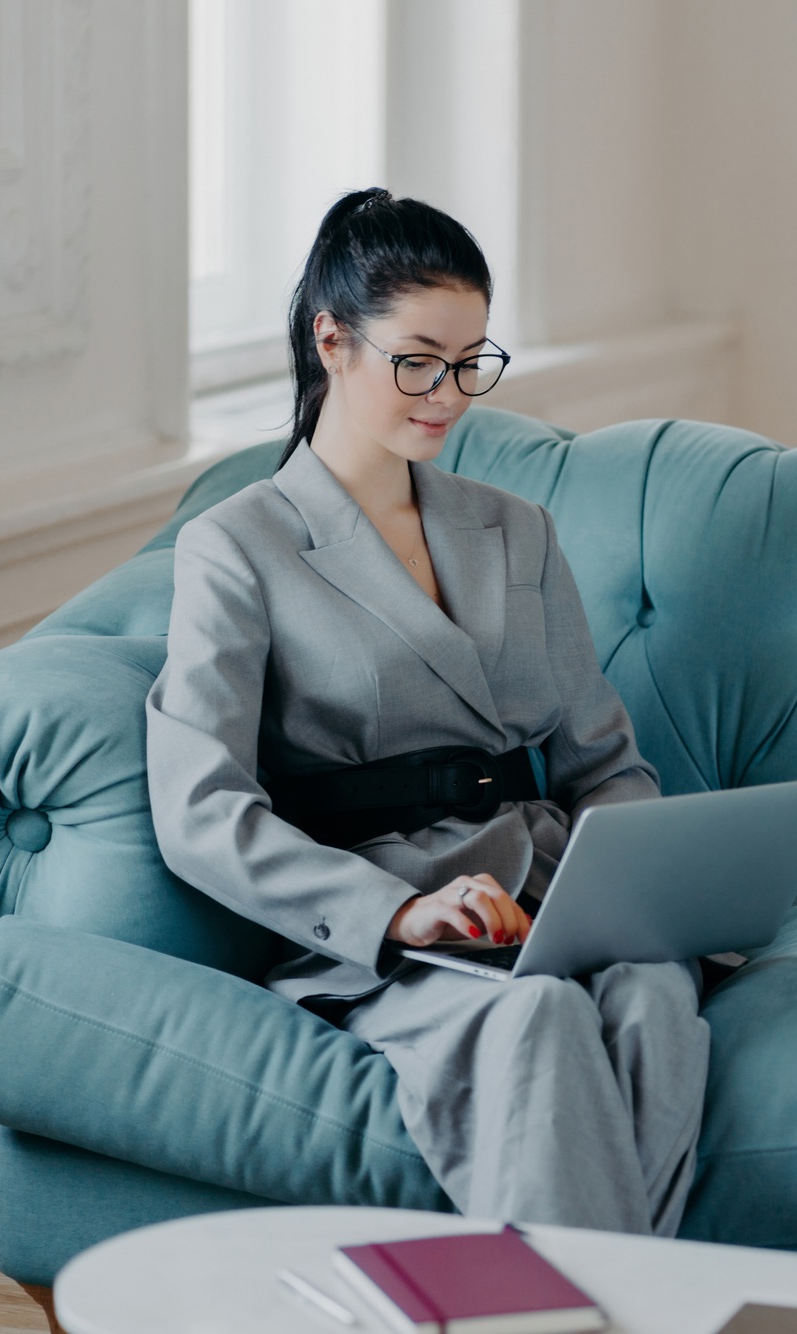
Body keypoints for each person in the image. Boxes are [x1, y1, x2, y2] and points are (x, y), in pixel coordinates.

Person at [144, 188, 710, 1236]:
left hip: (544, 887)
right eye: (418, 360)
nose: (449, 395)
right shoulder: (238, 545)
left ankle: (606, 1304)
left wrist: (631, 883)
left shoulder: (515, 529)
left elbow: (601, 758)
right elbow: (198, 804)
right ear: (331, 340)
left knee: (654, 997)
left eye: (471, 362)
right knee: (534, 1012)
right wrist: (391, 914)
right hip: (389, 906)